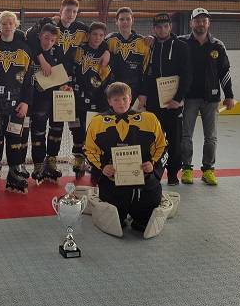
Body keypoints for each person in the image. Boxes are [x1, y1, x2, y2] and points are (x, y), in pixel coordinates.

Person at [84, 82, 179, 239]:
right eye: (116, 100)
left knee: (144, 222)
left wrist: (153, 165)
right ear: (109, 101)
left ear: (131, 98)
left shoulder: (149, 118)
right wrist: (102, 168)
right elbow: (88, 149)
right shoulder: (97, 121)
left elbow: (163, 147)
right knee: (116, 218)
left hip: (145, 182)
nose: (121, 103)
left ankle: (149, 209)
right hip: (112, 182)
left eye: (124, 98)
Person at [0, 11, 34, 196]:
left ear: (16, 25)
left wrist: (26, 102)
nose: (8, 26)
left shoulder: (25, 50)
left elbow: (29, 80)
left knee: (15, 141)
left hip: (16, 105)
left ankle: (14, 173)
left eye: (11, 23)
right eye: (4, 23)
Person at [180, 8, 237, 186]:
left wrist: (229, 95)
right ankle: (187, 168)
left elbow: (224, 73)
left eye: (204, 20)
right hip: (189, 98)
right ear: (191, 23)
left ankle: (208, 170)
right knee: (185, 135)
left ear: (208, 23)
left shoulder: (217, 46)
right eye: (197, 20)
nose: (200, 23)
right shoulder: (182, 43)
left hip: (211, 100)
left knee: (210, 137)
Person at [137, 13, 192, 186]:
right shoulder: (149, 46)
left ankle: (173, 172)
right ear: (154, 29)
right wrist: (143, 94)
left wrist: (178, 98)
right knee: (153, 138)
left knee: (175, 140)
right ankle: (154, 170)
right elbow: (145, 73)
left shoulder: (182, 47)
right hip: (154, 102)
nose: (162, 30)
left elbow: (187, 75)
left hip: (174, 102)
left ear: (170, 27)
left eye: (165, 26)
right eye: (158, 27)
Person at [29, 23, 72, 185]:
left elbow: (65, 72)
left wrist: (66, 85)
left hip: (57, 99)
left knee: (56, 131)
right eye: (46, 38)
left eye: (52, 40)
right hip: (39, 100)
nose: (48, 42)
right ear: (40, 36)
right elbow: (29, 33)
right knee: (38, 132)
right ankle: (38, 164)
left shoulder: (59, 51)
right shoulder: (32, 49)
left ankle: (51, 161)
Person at [69, 21, 112, 181]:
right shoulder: (79, 50)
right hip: (77, 101)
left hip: (97, 103)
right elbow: (72, 70)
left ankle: (96, 168)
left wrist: (103, 104)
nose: (97, 38)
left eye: (101, 35)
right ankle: (78, 166)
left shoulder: (106, 53)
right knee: (77, 136)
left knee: (96, 137)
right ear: (88, 35)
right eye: (94, 34)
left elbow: (106, 80)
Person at [105, 7, 151, 100]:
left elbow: (146, 71)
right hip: (114, 89)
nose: (125, 22)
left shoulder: (143, 42)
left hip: (135, 90)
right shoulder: (109, 41)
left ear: (132, 20)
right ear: (116, 21)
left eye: (128, 19)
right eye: (121, 19)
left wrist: (143, 92)